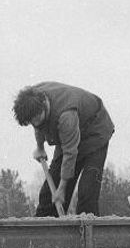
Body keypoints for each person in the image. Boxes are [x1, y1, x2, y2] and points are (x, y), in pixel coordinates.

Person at [13, 82, 115, 216]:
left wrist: (62, 188)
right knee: (48, 194)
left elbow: (70, 152)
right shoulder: (31, 99)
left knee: (87, 191)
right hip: (69, 134)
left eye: (37, 118)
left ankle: (87, 232)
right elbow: (38, 125)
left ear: (44, 105)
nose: (35, 123)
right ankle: (43, 232)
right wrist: (40, 147)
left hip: (95, 132)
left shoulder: (66, 116)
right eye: (31, 121)